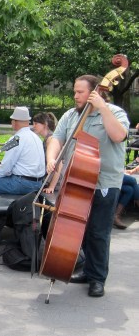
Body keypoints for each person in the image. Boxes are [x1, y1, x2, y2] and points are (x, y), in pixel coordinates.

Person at [46, 74, 129, 297]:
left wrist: (102, 107)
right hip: (76, 180)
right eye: (75, 91)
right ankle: (88, 270)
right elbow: (57, 139)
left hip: (105, 183)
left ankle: (97, 278)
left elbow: (119, 135)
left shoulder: (115, 113)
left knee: (98, 232)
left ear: (94, 92)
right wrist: (51, 159)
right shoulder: (72, 115)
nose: (75, 96)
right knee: (79, 230)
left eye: (80, 92)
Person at [0, 106, 45, 195]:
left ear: (15, 122)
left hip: (22, 184)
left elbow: (5, 169)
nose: (11, 122)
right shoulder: (37, 137)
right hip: (39, 183)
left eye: (12, 120)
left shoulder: (16, 139)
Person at [32, 112, 59, 193]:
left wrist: (51, 187)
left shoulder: (51, 139)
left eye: (36, 123)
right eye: (33, 124)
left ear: (45, 124)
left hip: (54, 184)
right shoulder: (47, 138)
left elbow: (59, 165)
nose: (33, 126)